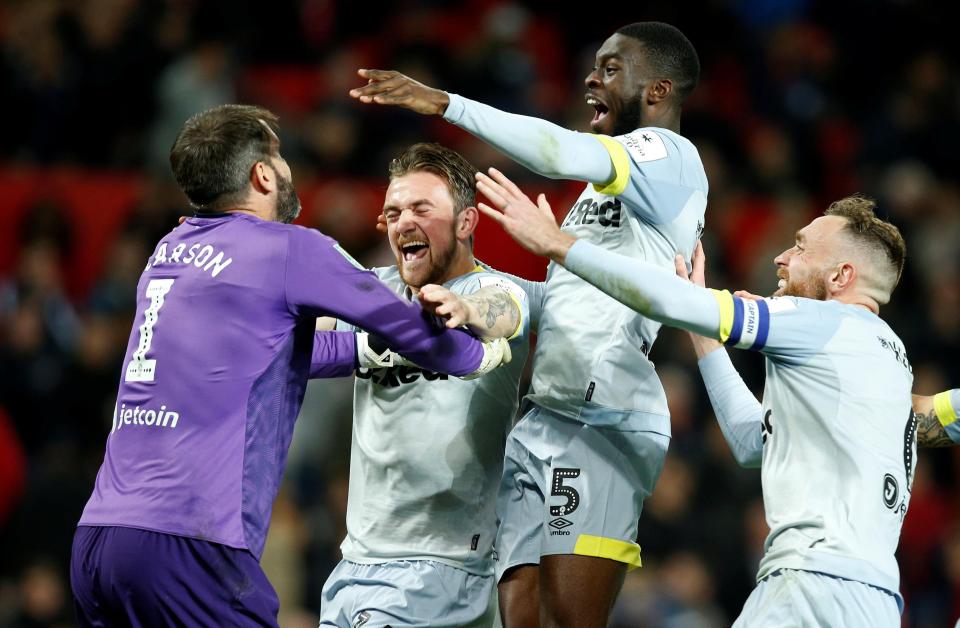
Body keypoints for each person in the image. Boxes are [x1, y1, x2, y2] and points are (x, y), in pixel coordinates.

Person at [69, 105, 509, 627]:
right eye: (279, 156)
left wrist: (359, 352)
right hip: (191, 544)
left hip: (99, 540)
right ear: (261, 173)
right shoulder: (287, 249)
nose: (287, 168)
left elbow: (263, 357)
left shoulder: (167, 253)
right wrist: (478, 354)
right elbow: (409, 326)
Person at [350, 22, 704, 626]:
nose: (593, 77)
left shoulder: (670, 157)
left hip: (603, 424)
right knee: (515, 616)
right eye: (596, 64)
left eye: (613, 68)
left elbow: (554, 150)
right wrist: (474, 297)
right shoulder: (599, 193)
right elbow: (561, 303)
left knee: (567, 619)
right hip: (542, 418)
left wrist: (442, 103)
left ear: (658, 90)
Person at [476, 168, 914, 626]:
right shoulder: (887, 360)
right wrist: (703, 336)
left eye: (802, 247)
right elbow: (751, 443)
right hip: (874, 598)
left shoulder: (820, 322)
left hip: (813, 586)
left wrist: (560, 245)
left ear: (842, 275)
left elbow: (671, 302)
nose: (782, 257)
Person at [317, 142, 540, 628]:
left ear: (465, 223)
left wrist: (467, 314)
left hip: (441, 569)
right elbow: (303, 337)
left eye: (422, 208)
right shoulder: (370, 294)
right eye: (393, 212)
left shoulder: (495, 290)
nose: (403, 221)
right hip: (354, 566)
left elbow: (504, 313)